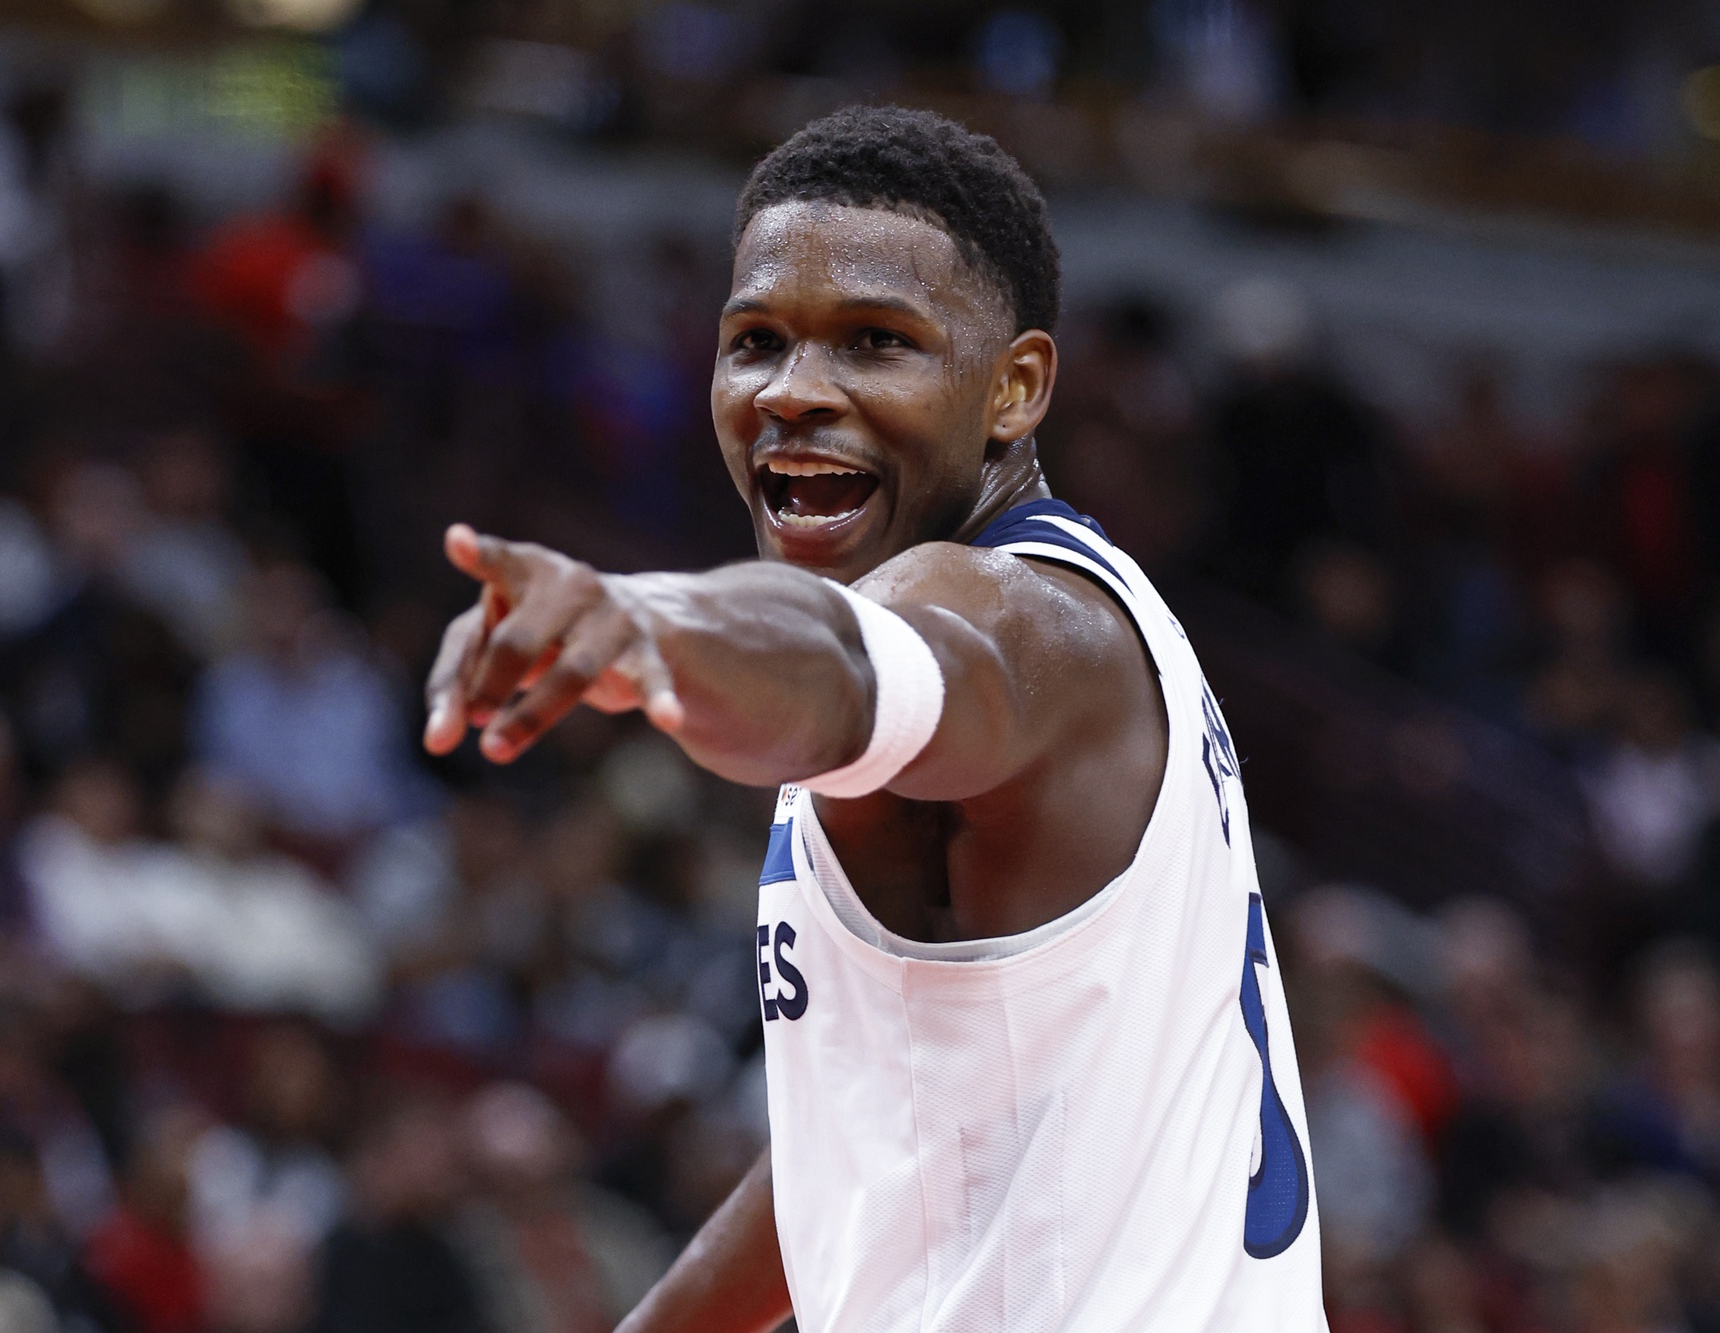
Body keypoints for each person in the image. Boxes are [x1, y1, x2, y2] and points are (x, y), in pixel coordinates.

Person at [423, 106, 1325, 1333]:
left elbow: (840, 661)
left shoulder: (1015, 622)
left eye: (873, 342)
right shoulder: (1080, 622)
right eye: (755, 342)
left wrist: (650, 624)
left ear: (1014, 389)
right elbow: (874, 1138)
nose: (794, 391)